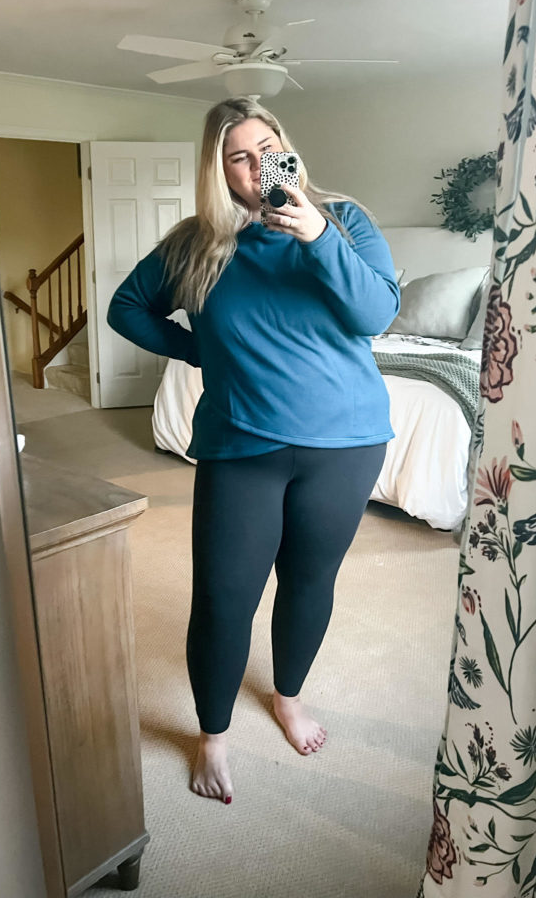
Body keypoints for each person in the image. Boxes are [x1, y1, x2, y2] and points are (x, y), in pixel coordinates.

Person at [107, 96, 400, 805]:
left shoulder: (345, 220)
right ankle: (212, 736)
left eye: (269, 147)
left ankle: (289, 697)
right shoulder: (195, 242)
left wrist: (316, 237)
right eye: (240, 155)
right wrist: (199, 349)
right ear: (220, 169)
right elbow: (125, 307)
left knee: (309, 582)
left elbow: (376, 316)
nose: (258, 164)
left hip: (347, 441)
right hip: (242, 444)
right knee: (222, 597)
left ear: (287, 152)